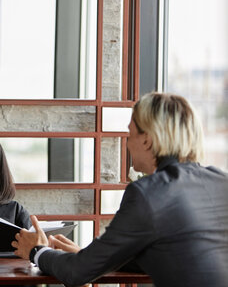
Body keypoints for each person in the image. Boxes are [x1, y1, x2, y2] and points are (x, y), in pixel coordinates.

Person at [13, 92, 228, 287]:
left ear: (146, 140)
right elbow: (176, 255)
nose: (127, 143)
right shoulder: (221, 181)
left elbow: (77, 273)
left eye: (130, 133)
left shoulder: (148, 193)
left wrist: (37, 251)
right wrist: (90, 257)